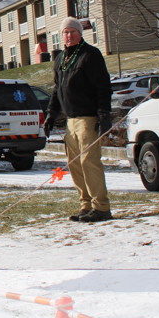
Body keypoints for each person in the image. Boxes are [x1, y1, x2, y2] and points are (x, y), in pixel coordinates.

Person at [45, 17, 114, 223]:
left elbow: (103, 86)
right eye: (65, 32)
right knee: (74, 164)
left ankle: (101, 207)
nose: (69, 36)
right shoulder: (61, 59)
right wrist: (51, 115)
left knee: (89, 162)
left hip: (87, 118)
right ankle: (86, 205)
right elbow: (57, 90)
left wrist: (104, 114)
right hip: (70, 120)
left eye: (72, 32)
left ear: (79, 34)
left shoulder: (90, 55)